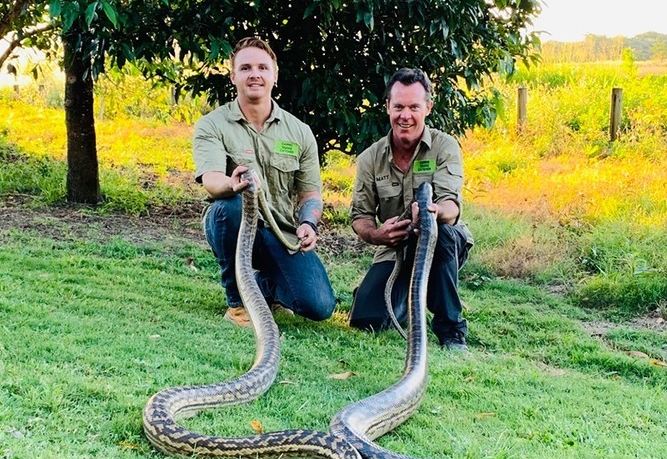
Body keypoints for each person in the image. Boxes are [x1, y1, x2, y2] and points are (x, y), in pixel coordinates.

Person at [192, 37, 336, 328]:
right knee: (231, 206)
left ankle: (267, 288)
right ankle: (238, 304)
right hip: (233, 223)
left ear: (275, 75)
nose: (254, 74)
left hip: (281, 233)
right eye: (245, 68)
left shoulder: (300, 132)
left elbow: (311, 194)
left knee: (318, 306)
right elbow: (211, 180)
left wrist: (308, 223)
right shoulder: (213, 124)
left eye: (262, 67)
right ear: (233, 76)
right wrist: (232, 185)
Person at [349, 68, 474, 351]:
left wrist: (431, 212)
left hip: (441, 240)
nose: (405, 115)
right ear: (388, 108)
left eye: (414, 107)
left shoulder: (445, 146)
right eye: (399, 107)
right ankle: (397, 296)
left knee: (437, 233)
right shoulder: (370, 158)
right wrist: (379, 235)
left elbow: (451, 208)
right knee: (366, 321)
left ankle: (451, 330)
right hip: (394, 250)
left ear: (428, 107)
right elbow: (359, 218)